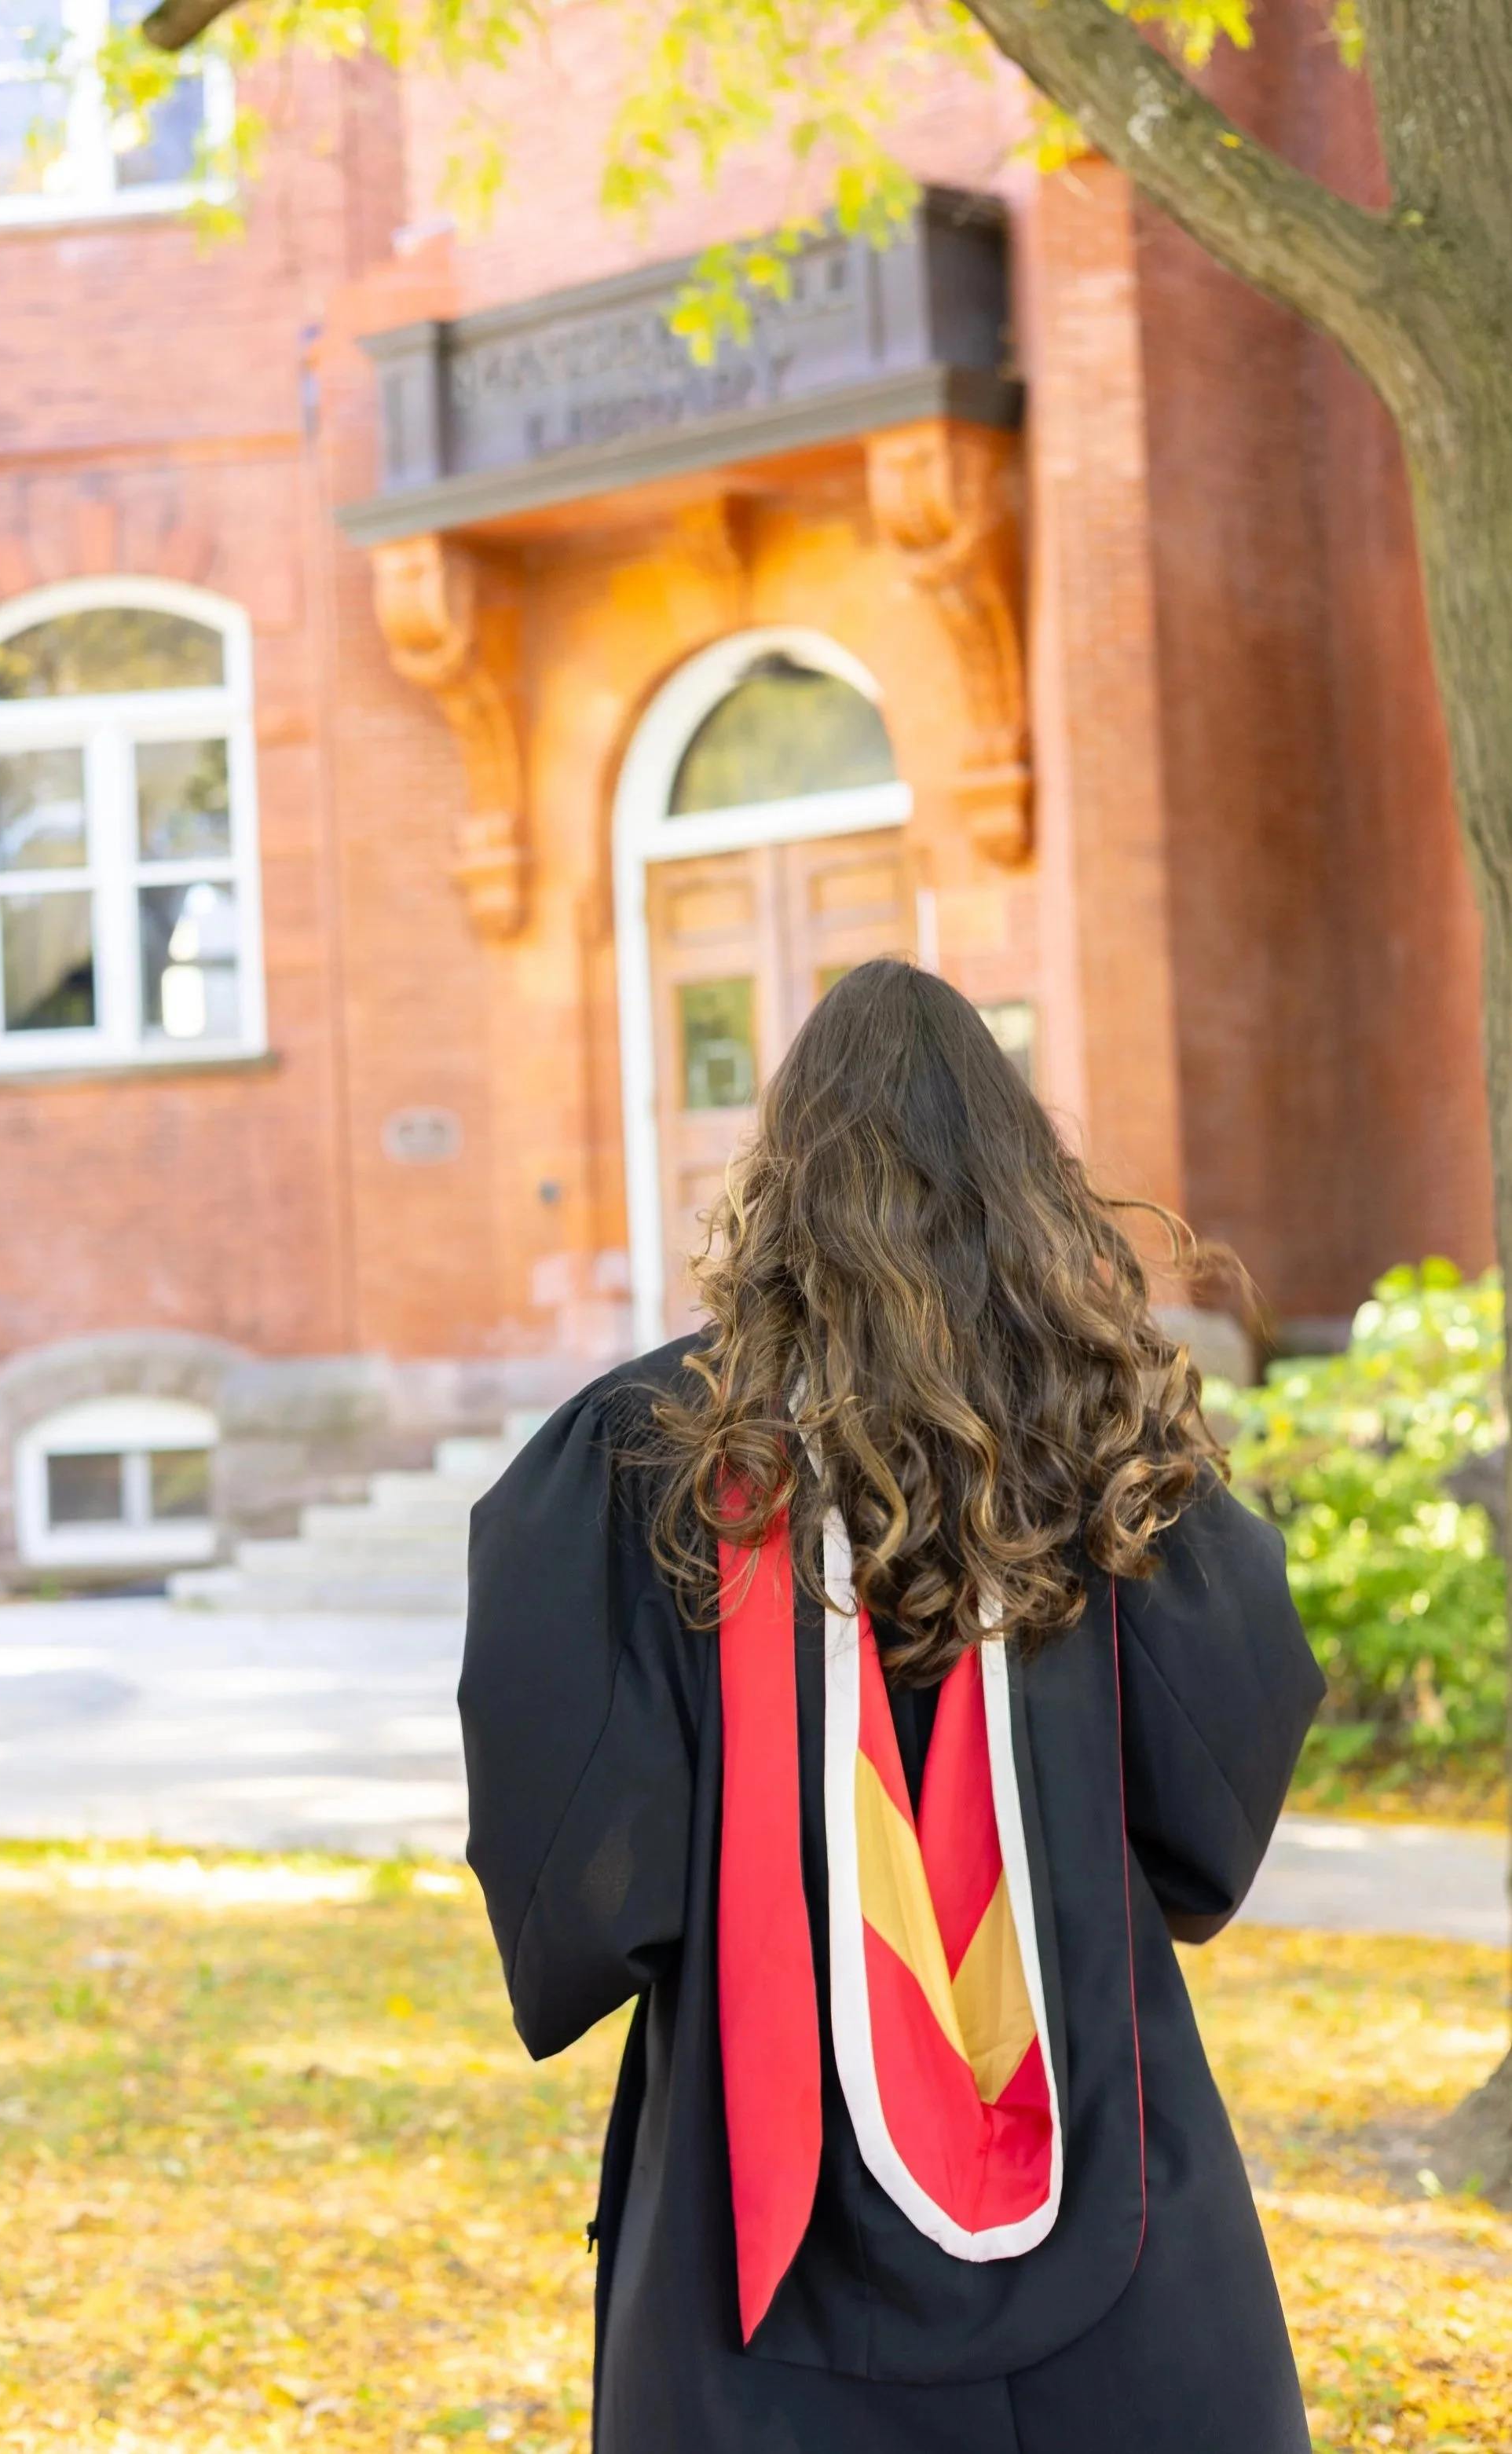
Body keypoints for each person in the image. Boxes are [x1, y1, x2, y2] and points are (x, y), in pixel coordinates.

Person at [459, 957, 1324, 2454]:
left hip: (764, 2225)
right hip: (1112, 2186)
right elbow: (1210, 1809)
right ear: (1021, 1176)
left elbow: (581, 1863)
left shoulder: (650, 1454)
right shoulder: (1112, 1438)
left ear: (781, 1178)